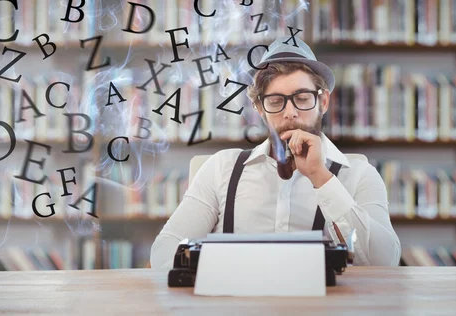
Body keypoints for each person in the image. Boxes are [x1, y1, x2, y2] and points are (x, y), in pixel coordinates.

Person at [150, 36, 401, 268]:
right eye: (275, 101)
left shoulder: (359, 175)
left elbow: (385, 261)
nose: (290, 112)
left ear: (323, 102)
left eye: (302, 98)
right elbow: (163, 254)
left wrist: (320, 177)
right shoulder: (220, 168)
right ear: (260, 108)